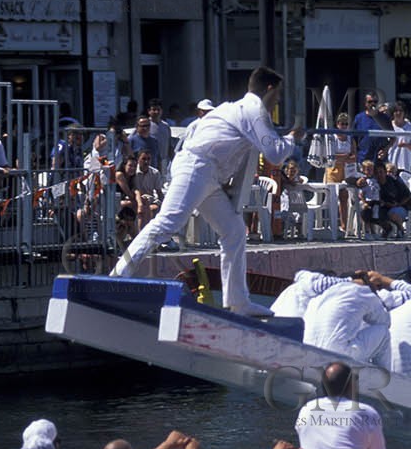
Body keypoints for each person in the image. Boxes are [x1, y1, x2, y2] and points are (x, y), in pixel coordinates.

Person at [112, 67, 299, 316]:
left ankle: (238, 302)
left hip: (207, 175)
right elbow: (275, 153)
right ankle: (117, 275)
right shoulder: (254, 111)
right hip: (197, 168)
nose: (279, 99)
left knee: (234, 231)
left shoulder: (236, 109)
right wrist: (293, 137)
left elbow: (244, 156)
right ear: (269, 89)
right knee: (166, 223)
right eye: (278, 93)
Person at [301, 272, 391, 365]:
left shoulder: (317, 299)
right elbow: (385, 322)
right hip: (337, 357)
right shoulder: (362, 291)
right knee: (384, 332)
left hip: (310, 359)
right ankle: (385, 374)